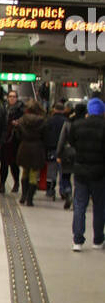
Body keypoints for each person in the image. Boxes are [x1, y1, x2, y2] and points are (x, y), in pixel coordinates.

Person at [63, 96, 105, 251]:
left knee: (79, 205)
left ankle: (78, 241)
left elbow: (72, 143)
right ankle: (98, 240)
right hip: (99, 173)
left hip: (80, 172)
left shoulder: (77, 125)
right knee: (99, 207)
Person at [16, 101, 47, 206]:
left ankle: (23, 195)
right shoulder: (42, 121)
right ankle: (30, 199)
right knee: (34, 174)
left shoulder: (22, 119)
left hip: (24, 147)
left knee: (25, 172)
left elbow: (18, 135)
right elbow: (45, 136)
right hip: (37, 148)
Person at [57, 102, 86, 210]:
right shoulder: (86, 123)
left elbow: (62, 139)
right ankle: (76, 198)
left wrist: (58, 153)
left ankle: (68, 192)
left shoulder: (68, 122)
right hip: (81, 154)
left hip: (68, 152)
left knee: (65, 175)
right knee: (78, 179)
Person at [44, 102, 70, 200]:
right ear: (63, 110)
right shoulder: (66, 121)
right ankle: (64, 191)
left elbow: (46, 135)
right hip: (64, 150)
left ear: (54, 110)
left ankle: (50, 190)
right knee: (63, 171)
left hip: (51, 149)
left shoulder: (49, 121)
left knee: (51, 172)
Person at [0, 89, 24, 193]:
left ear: (17, 98)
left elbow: (24, 123)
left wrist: (18, 123)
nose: (12, 98)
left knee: (14, 164)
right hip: (5, 140)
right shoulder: (4, 109)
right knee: (4, 164)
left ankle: (16, 183)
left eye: (14, 96)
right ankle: (2, 185)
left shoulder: (21, 110)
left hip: (15, 140)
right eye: (10, 96)